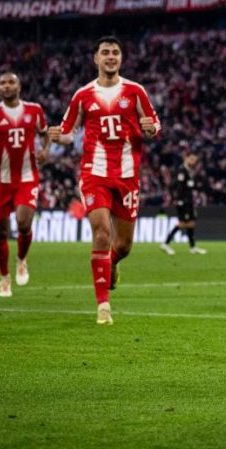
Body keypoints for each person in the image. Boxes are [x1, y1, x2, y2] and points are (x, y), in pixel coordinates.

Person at [49, 36, 160, 325]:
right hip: (94, 173)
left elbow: (154, 126)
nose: (110, 57)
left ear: (120, 58)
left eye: (115, 53)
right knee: (101, 234)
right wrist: (55, 135)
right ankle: (103, 306)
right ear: (95, 58)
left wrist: (151, 129)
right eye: (105, 53)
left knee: (123, 246)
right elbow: (68, 132)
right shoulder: (83, 95)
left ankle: (111, 264)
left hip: (127, 176)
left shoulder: (135, 91)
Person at [0, 72, 49, 297]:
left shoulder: (34, 110)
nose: (6, 86)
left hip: (27, 177)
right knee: (1, 231)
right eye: (2, 83)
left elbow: (45, 134)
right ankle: (4, 277)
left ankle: (21, 259)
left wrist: (45, 150)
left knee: (24, 223)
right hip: (0, 180)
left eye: (11, 82)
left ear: (19, 85)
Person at [161, 153, 207, 255]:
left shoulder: (189, 171)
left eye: (195, 160)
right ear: (186, 159)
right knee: (182, 223)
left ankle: (192, 247)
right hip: (183, 202)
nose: (193, 162)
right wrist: (178, 199)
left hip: (189, 201)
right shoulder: (182, 170)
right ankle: (166, 243)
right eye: (191, 159)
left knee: (191, 223)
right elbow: (178, 186)